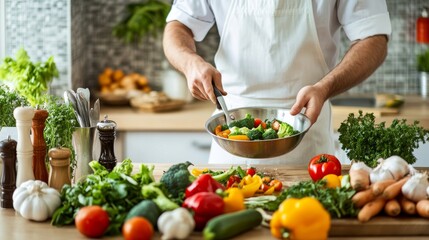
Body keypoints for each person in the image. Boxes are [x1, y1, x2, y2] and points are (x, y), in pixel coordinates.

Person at [162, 0, 391, 165]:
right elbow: (178, 26)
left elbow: (374, 38)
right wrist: (190, 63)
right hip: (230, 129)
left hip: (307, 130)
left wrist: (325, 87)